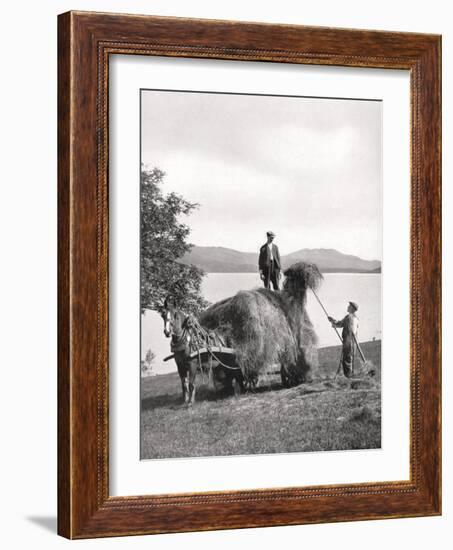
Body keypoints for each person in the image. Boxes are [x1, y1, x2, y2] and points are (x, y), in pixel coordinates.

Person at [328, 301, 359, 378]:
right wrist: (334, 323)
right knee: (349, 360)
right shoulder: (356, 318)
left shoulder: (349, 317)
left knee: (347, 361)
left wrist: (332, 321)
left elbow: (340, 324)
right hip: (353, 342)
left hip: (348, 342)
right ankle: (350, 377)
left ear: (352, 308)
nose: (348, 307)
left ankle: (348, 378)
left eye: (349, 306)